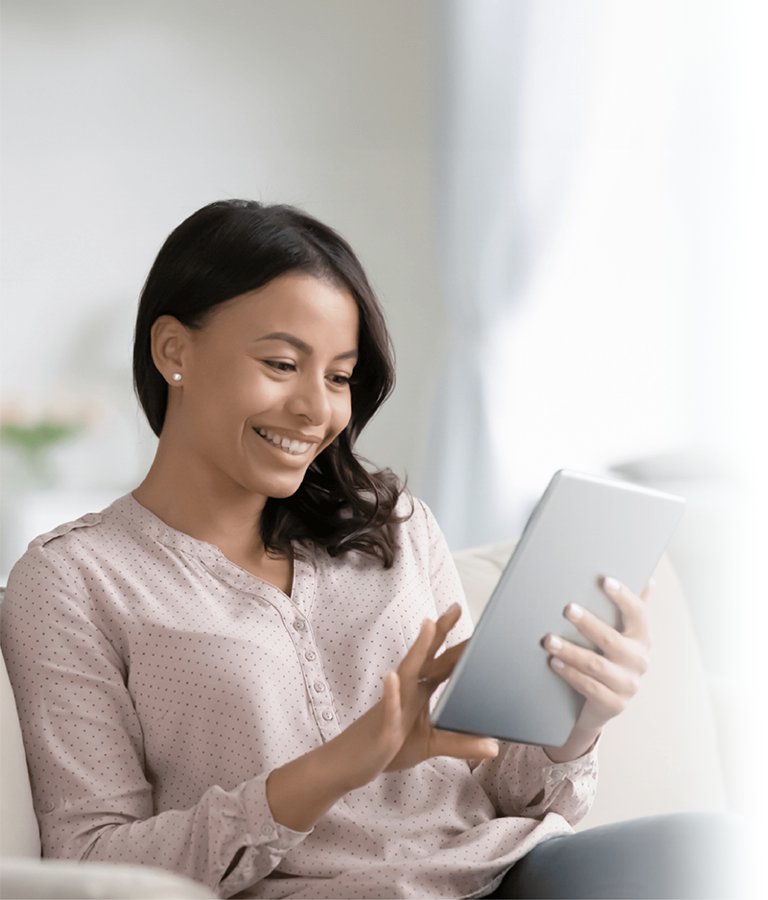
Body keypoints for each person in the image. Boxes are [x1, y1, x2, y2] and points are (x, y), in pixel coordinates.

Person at [0, 200, 747, 899]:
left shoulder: (394, 528)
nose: (316, 408)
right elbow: (92, 862)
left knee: (701, 851)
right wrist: (338, 766)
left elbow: (502, 784)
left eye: (340, 377)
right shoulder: (73, 581)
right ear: (174, 351)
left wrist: (576, 723)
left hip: (506, 876)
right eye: (282, 365)